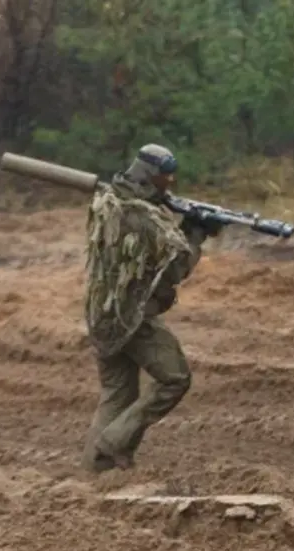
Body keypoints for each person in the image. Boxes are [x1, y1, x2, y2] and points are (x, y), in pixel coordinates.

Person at [80, 144, 223, 473]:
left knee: (118, 394)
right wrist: (196, 232)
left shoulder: (108, 200)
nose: (170, 181)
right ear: (148, 176)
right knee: (175, 378)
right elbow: (176, 267)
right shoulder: (146, 218)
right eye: (164, 176)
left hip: (100, 312)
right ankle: (111, 444)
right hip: (131, 318)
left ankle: (93, 475)